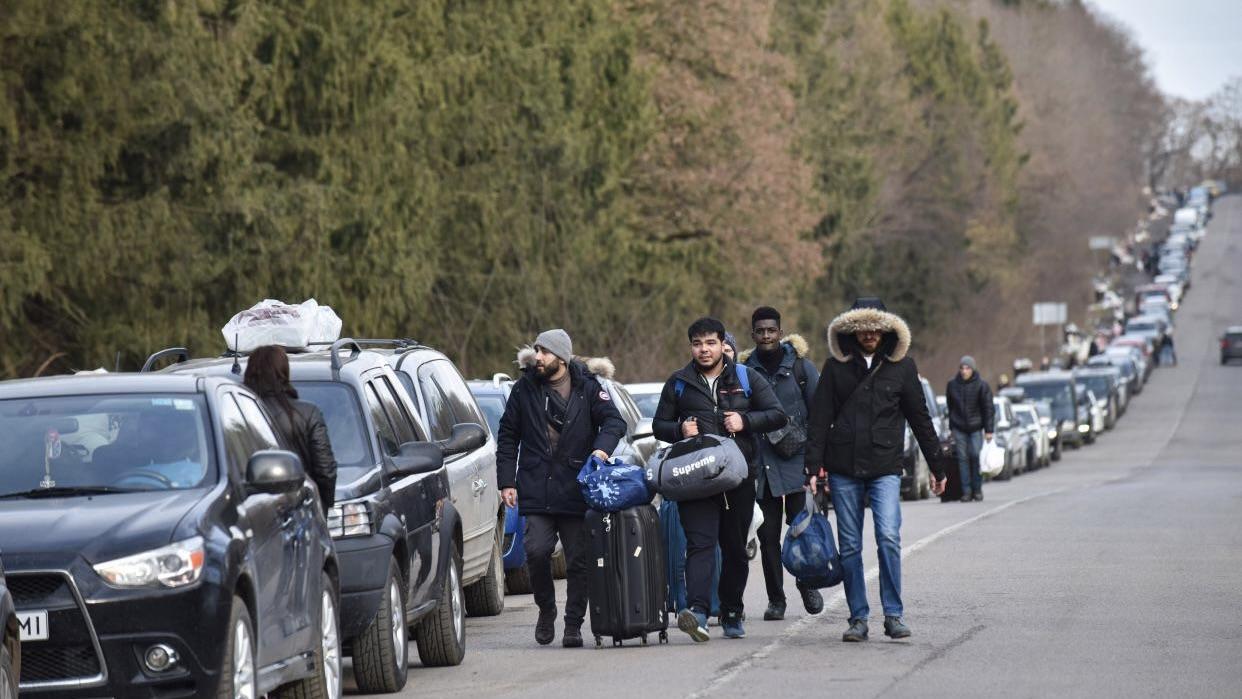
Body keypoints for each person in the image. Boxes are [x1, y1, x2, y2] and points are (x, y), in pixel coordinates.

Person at [804, 298, 949, 643]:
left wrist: (937, 466)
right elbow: (820, 419)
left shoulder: (903, 367)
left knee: (888, 537)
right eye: (861, 328)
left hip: (885, 465)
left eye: (875, 327)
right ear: (852, 330)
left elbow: (920, 420)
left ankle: (894, 614)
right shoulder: (835, 368)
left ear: (885, 329)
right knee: (851, 545)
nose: (868, 334)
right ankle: (858, 618)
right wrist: (812, 466)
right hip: (843, 468)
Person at [653, 317, 786, 641]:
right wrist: (678, 430)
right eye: (697, 344)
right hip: (694, 480)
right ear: (691, 347)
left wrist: (745, 420)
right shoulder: (679, 383)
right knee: (700, 545)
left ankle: (730, 611)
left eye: (710, 343)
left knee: (734, 550)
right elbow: (659, 424)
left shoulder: (745, 376)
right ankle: (697, 611)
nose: (704, 349)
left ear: (721, 343)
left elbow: (777, 414)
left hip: (736, 477)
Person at [496, 329, 626, 648]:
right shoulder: (524, 389)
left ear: (562, 357)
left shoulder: (589, 387)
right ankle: (546, 609)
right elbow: (508, 435)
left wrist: (600, 451)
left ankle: (573, 623)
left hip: (576, 488)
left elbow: (614, 423)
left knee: (579, 561)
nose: (537, 356)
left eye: (545, 351)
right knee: (536, 552)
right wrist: (506, 481)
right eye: (536, 350)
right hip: (536, 487)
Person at [739, 306, 824, 621]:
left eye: (770, 330)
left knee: (801, 529)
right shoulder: (744, 371)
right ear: (753, 334)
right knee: (767, 537)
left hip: (797, 463)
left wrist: (817, 462)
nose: (765, 336)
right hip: (761, 468)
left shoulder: (802, 369)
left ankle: (808, 583)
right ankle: (777, 599)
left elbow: (819, 414)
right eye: (760, 331)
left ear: (780, 331)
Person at [243, 345, 338, 514]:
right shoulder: (308, 414)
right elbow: (325, 471)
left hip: (253, 514)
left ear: (250, 373)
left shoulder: (237, 413)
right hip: (300, 510)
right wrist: (322, 509)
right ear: (284, 373)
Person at [945, 356, 995, 503]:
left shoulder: (982, 385)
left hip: (975, 427)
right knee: (962, 459)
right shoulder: (952, 385)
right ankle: (966, 492)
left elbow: (988, 409)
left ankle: (977, 489)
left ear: (973, 369)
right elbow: (950, 406)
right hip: (959, 427)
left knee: (975, 456)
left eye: (967, 368)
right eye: (962, 368)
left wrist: (989, 430)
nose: (964, 371)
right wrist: (951, 426)